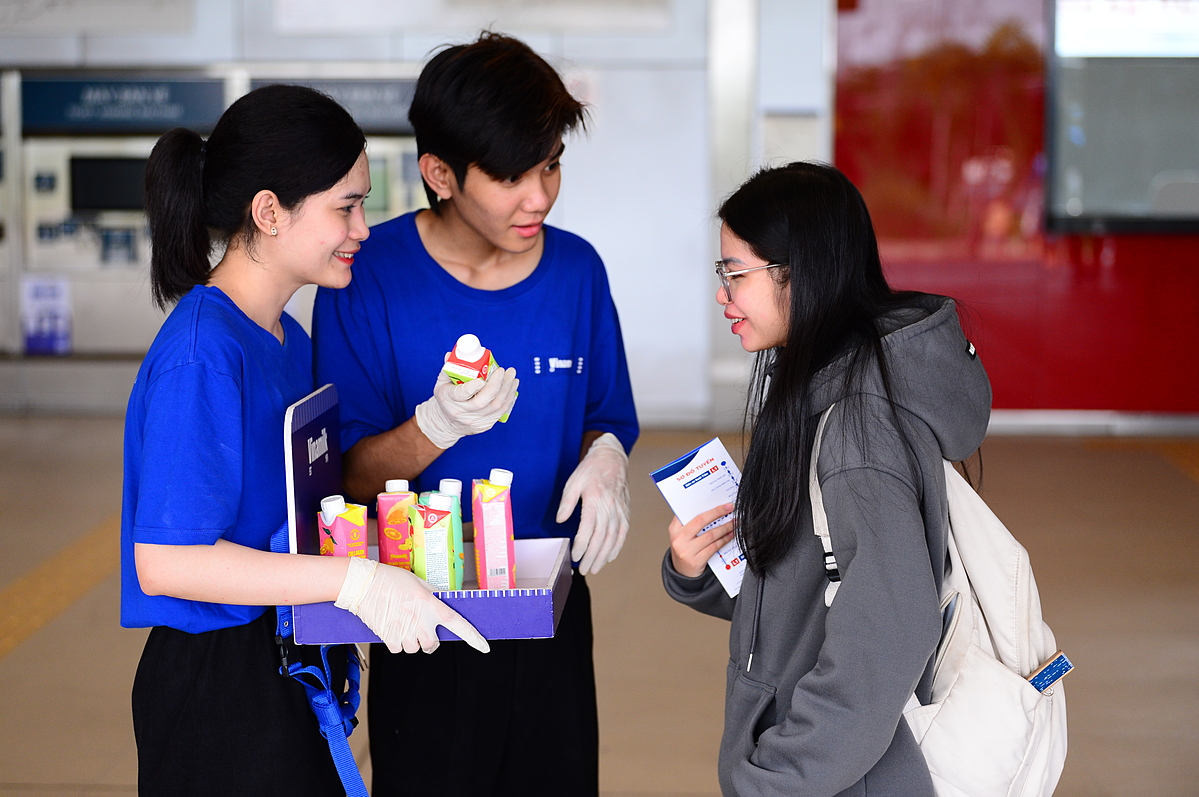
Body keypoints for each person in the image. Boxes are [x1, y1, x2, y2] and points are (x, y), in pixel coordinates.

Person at [121, 84, 488, 797]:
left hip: (285, 659)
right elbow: (167, 560)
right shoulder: (202, 354)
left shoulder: (285, 338)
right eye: (345, 205)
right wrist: (351, 582)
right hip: (219, 691)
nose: (364, 228)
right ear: (268, 212)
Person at [312, 32, 638, 797]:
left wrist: (606, 458)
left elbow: (605, 413)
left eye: (551, 165)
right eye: (511, 175)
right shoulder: (367, 277)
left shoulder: (577, 271)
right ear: (440, 173)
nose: (540, 196)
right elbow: (348, 475)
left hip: (549, 608)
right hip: (420, 610)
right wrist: (438, 425)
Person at [661, 162, 992, 797]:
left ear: (800, 274)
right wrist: (698, 572)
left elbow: (890, 630)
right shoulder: (821, 393)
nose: (722, 296)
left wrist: (781, 777)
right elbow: (810, 594)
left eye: (735, 274)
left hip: (841, 777)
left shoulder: (854, 434)